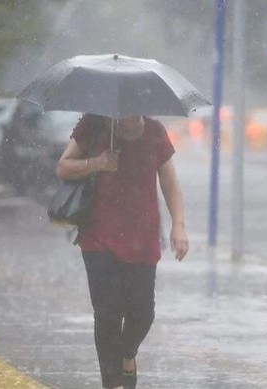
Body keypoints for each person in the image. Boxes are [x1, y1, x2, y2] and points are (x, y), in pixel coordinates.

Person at [56, 114, 189, 389]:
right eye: (126, 110)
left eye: (137, 109)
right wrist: (98, 163)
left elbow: (170, 183)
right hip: (99, 236)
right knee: (107, 313)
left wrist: (179, 225)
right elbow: (64, 167)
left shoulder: (154, 132)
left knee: (143, 312)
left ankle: (128, 354)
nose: (131, 117)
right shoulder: (93, 125)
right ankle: (112, 382)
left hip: (143, 236)